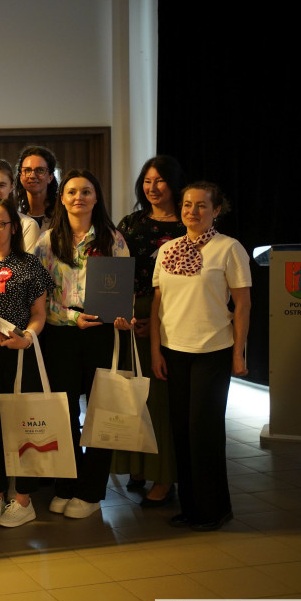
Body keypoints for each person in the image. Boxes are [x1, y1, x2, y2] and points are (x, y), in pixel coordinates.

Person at [152, 182, 250, 532]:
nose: (193, 212)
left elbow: (242, 305)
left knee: (203, 431)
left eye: (201, 206)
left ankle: (215, 509)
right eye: (187, 205)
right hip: (173, 351)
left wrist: (239, 353)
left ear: (216, 210)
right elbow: (158, 305)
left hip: (213, 351)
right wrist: (155, 351)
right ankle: (191, 506)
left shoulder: (229, 249)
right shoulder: (168, 250)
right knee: (181, 431)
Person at [33, 169, 132, 519]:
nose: (79, 197)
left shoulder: (113, 239)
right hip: (59, 334)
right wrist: (71, 317)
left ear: (96, 197)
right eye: (72, 191)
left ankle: (90, 493)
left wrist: (122, 315)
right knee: (63, 414)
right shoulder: (46, 242)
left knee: (101, 414)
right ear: (61, 197)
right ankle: (66, 485)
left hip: (102, 334)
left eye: (86, 191)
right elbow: (38, 296)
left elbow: (124, 292)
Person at [0, 197, 54, 528]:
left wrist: (27, 338)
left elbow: (39, 314)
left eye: (0, 224)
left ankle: (24, 498)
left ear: (14, 227)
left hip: (19, 354)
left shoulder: (30, 265)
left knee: (23, 425)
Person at [111, 156, 187, 507]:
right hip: (130, 316)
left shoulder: (187, 227)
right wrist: (123, 314)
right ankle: (136, 465)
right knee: (130, 395)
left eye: (160, 181)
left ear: (173, 183)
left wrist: (154, 323)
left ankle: (164, 476)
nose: (152, 188)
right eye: (147, 181)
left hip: (172, 318)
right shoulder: (131, 222)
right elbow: (116, 271)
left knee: (158, 400)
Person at [14, 146, 58, 229]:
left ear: (50, 177)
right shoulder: (14, 216)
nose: (33, 176)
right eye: (27, 170)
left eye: (40, 170)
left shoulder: (62, 215)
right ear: (20, 176)